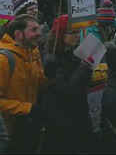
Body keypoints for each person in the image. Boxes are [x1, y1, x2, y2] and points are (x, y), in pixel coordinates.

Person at [41, 15, 94, 154]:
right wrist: (85, 67)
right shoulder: (51, 59)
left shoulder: (72, 53)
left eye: (78, 32)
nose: (77, 36)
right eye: (73, 33)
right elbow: (67, 90)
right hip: (62, 120)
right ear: (61, 34)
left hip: (77, 115)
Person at [0, 15, 46, 153]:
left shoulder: (32, 54)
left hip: (28, 128)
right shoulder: (4, 59)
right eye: (33, 30)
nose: (39, 33)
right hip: (9, 134)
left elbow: (38, 84)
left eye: (39, 29)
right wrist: (27, 109)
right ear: (18, 34)